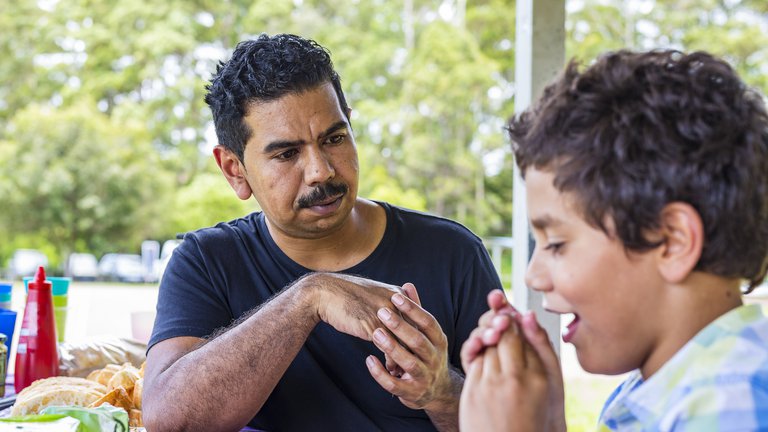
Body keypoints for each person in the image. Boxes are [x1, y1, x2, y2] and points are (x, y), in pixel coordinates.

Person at [142, 33, 502, 432]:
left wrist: (441, 392)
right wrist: (309, 297)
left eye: (334, 139)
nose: (321, 171)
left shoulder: (452, 252)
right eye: (286, 154)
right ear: (234, 169)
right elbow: (168, 420)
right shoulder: (207, 262)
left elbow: (518, 423)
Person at [459, 49, 768, 431]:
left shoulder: (730, 405)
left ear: (672, 241)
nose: (533, 276)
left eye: (555, 244)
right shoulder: (657, 389)